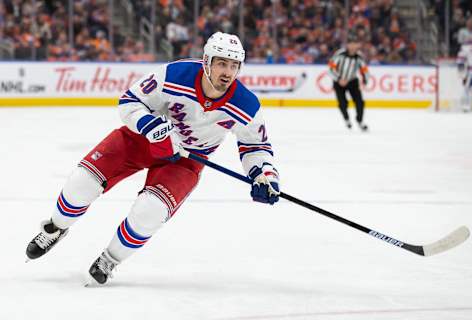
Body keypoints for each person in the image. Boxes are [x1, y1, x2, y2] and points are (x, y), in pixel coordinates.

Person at [25, 32, 281, 285]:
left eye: (234, 65)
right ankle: (55, 228)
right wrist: (149, 124)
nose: (227, 72)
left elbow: (255, 144)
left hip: (188, 159)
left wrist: (264, 176)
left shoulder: (246, 104)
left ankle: (109, 259)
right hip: (144, 140)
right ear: (206, 62)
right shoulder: (175, 74)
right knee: (81, 183)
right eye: (222, 63)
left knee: (150, 211)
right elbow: (129, 101)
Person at [328, 33, 370, 131]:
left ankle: (360, 121)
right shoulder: (339, 54)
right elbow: (330, 69)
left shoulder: (359, 57)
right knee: (342, 103)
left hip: (352, 81)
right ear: (347, 45)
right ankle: (346, 119)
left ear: (358, 45)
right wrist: (339, 79)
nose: (353, 46)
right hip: (338, 81)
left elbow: (365, 70)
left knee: (360, 102)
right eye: (350, 43)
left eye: (355, 43)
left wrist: (364, 82)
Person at [457, 32, 472, 112]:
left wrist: (461, 71)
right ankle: (467, 106)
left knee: (467, 89)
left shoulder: (466, 47)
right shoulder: (467, 47)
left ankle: (466, 106)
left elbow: (460, 59)